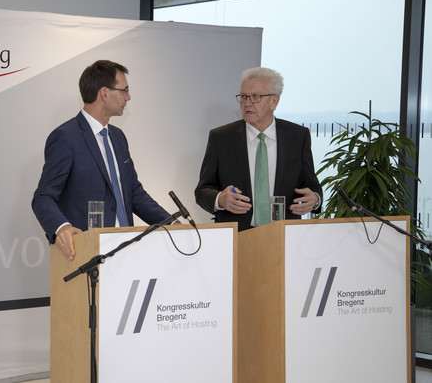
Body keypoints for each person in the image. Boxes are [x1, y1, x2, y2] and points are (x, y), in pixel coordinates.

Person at [32, 60, 174, 260]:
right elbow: (43, 197)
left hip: (127, 250)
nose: (128, 97)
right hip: (86, 254)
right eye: (124, 90)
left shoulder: (118, 137)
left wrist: (171, 223)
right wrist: (62, 227)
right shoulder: (66, 137)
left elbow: (134, 194)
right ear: (104, 93)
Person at [195, 66, 322, 231]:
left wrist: (315, 200)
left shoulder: (297, 137)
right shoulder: (221, 138)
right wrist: (220, 199)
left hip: (283, 235)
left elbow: (312, 186)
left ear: (274, 101)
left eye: (255, 97)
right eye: (243, 97)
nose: (247, 103)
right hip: (237, 236)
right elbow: (202, 191)